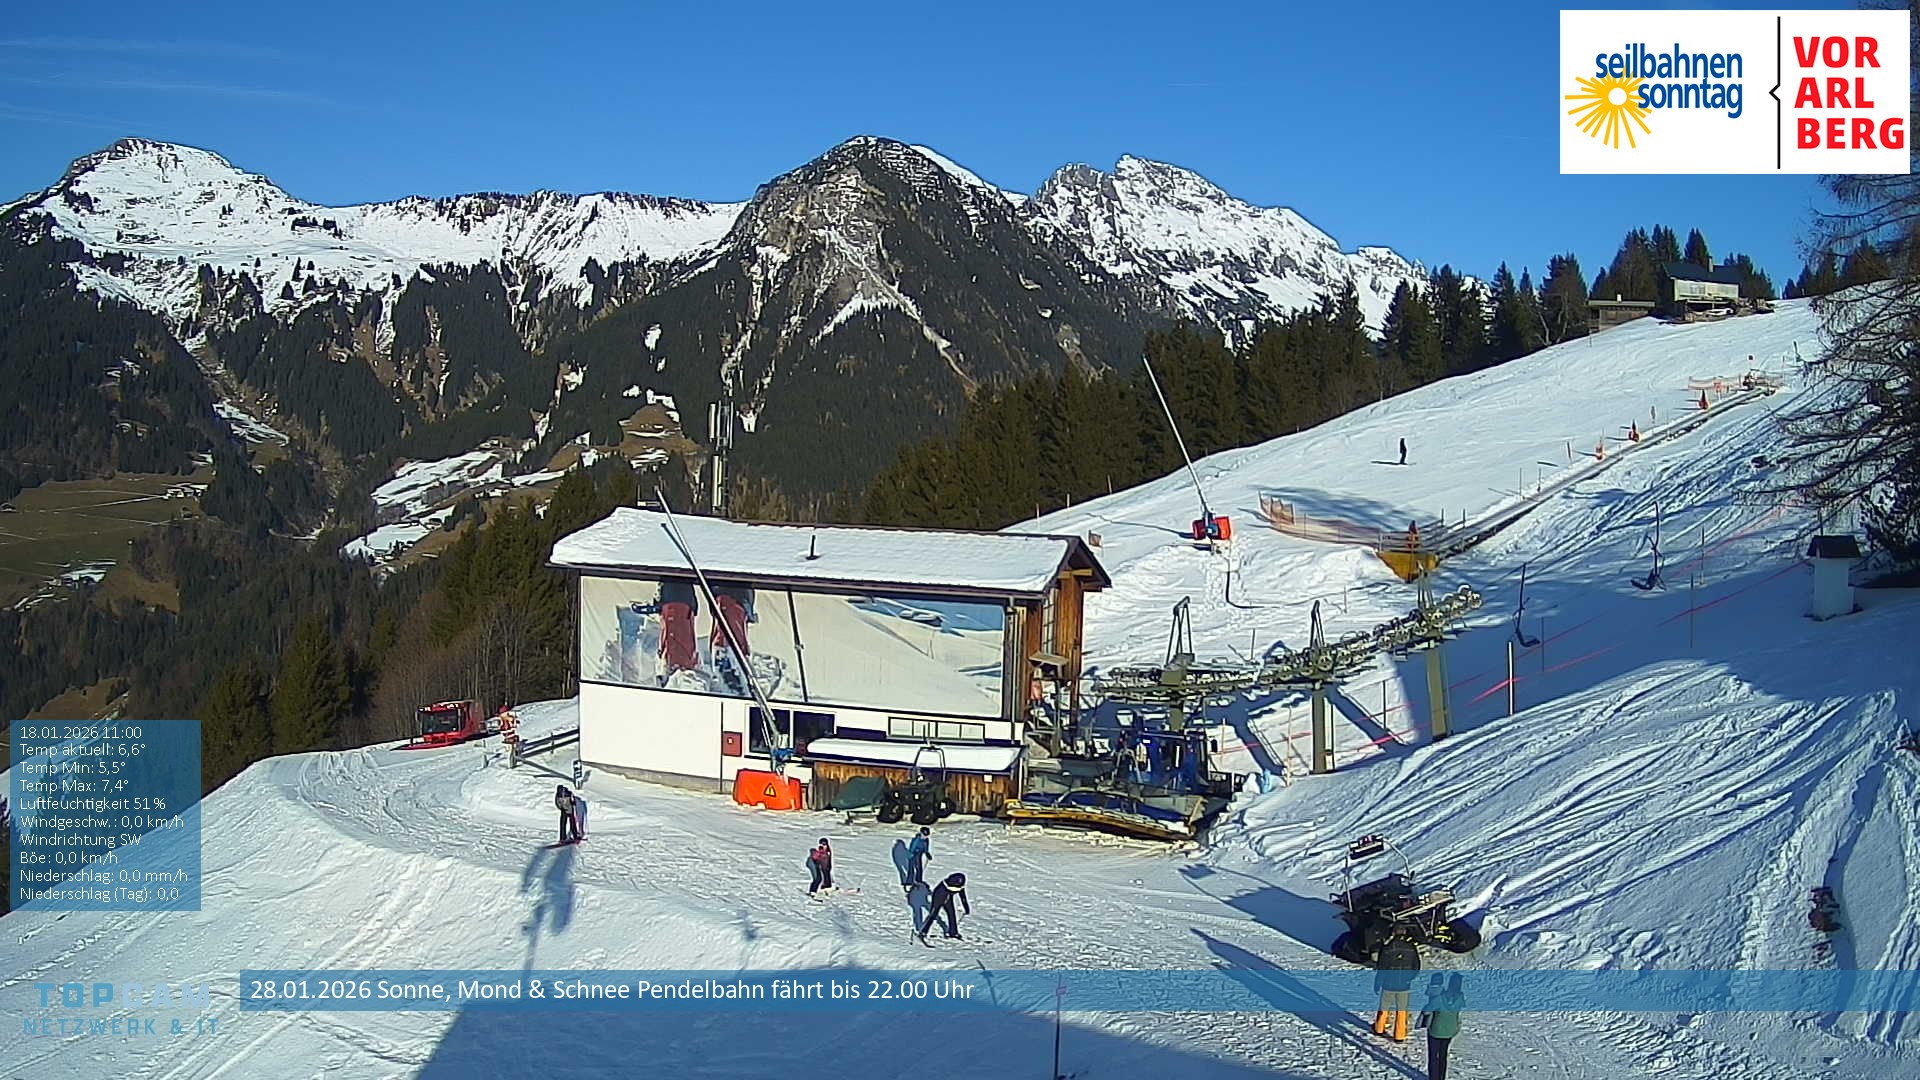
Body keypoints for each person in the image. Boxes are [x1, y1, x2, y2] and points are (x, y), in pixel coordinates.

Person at [1372, 931, 1421, 1041]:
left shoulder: (1387, 948)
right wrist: (1409, 978)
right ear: (1404, 933)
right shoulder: (1411, 948)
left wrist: (1377, 983)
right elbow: (1416, 966)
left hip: (1388, 984)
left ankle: (1379, 1028)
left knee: (1384, 1008)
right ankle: (1399, 1035)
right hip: (1404, 985)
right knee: (1402, 1010)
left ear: (1393, 933)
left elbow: (1381, 969)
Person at [1420, 973, 1464, 1080]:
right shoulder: (1460, 998)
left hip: (1436, 1030)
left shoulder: (1439, 999)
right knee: (1443, 1056)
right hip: (1450, 1031)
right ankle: (1441, 1077)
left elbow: (1427, 1011)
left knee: (1434, 1056)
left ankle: (1434, 1077)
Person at [919, 872, 971, 941]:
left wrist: (966, 907)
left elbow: (962, 897)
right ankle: (923, 932)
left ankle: (953, 933)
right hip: (939, 896)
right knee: (933, 914)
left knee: (952, 914)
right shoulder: (944, 885)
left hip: (949, 898)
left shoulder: (960, 885)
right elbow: (937, 893)